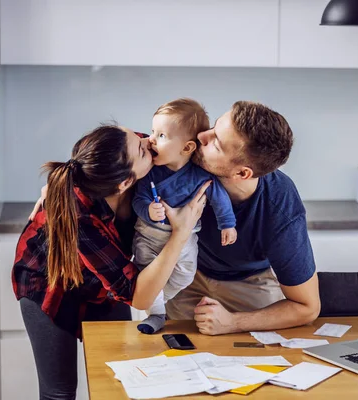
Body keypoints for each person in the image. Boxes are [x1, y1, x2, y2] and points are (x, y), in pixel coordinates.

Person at [13, 125, 210, 400]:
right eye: (141, 147)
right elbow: (140, 298)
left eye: (140, 138)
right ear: (125, 183)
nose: (149, 142)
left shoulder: (136, 151)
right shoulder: (80, 217)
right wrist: (181, 233)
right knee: (59, 392)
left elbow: (186, 140)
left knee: (120, 380)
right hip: (48, 284)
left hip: (105, 279)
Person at [165, 101, 321, 335]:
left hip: (250, 282)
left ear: (241, 173)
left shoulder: (279, 206)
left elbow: (307, 308)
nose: (201, 136)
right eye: (214, 127)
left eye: (215, 143)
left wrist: (232, 323)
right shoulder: (186, 159)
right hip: (189, 273)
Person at [132, 98, 237, 334]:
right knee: (147, 272)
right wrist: (147, 209)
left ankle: (153, 299)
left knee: (185, 275)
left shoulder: (200, 175)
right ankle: (157, 313)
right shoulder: (150, 171)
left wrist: (227, 224)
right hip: (149, 237)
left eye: (161, 135)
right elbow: (138, 199)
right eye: (152, 131)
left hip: (186, 239)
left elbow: (219, 198)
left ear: (187, 148)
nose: (151, 139)